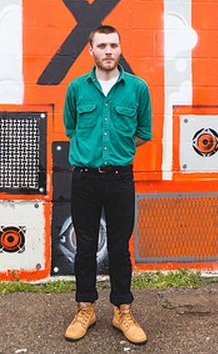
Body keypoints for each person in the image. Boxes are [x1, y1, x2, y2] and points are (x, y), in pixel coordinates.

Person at [62, 25, 151, 345]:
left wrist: (118, 150)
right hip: (84, 178)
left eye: (113, 45)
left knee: (119, 247)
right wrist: (93, 151)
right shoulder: (76, 88)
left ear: (120, 48)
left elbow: (143, 133)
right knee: (85, 246)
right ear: (91, 50)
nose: (108, 51)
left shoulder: (138, 88)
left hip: (120, 179)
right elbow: (71, 128)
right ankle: (85, 308)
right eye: (101, 46)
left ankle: (122, 310)